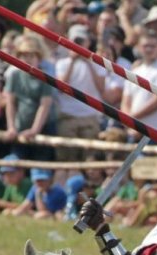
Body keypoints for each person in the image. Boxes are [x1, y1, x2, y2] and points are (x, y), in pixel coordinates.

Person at [55, 24, 107, 162]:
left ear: (88, 42)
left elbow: (102, 88)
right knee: (66, 158)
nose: (77, 44)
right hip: (67, 116)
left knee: (90, 158)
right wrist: (72, 59)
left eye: (80, 41)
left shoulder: (97, 63)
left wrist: (88, 60)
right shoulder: (62, 63)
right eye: (75, 41)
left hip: (90, 117)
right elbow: (61, 87)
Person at [4, 36, 57, 161]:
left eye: (31, 56)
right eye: (24, 56)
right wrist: (11, 127)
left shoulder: (45, 77)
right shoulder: (14, 75)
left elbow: (45, 105)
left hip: (44, 128)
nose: (28, 60)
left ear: (38, 58)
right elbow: (10, 103)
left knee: (41, 164)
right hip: (20, 127)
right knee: (16, 162)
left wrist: (34, 130)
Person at [121, 31, 157, 136]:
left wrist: (130, 118)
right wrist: (129, 120)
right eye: (145, 46)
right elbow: (126, 101)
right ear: (138, 47)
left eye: (153, 46)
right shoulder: (134, 71)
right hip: (133, 132)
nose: (149, 49)